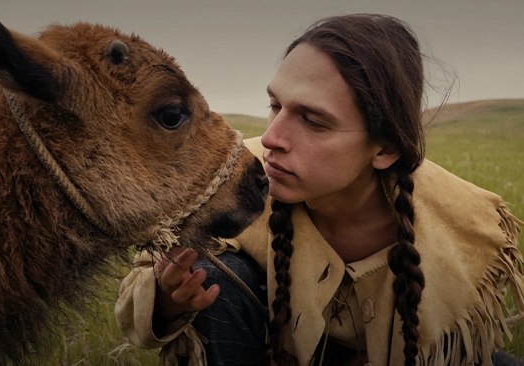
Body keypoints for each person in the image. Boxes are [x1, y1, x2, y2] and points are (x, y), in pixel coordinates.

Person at [115, 13, 524, 366]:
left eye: (313, 121)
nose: (271, 137)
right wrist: (169, 301)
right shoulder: (227, 180)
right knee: (215, 276)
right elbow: (135, 311)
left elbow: (454, 346)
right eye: (275, 106)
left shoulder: (465, 225)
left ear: (385, 149)